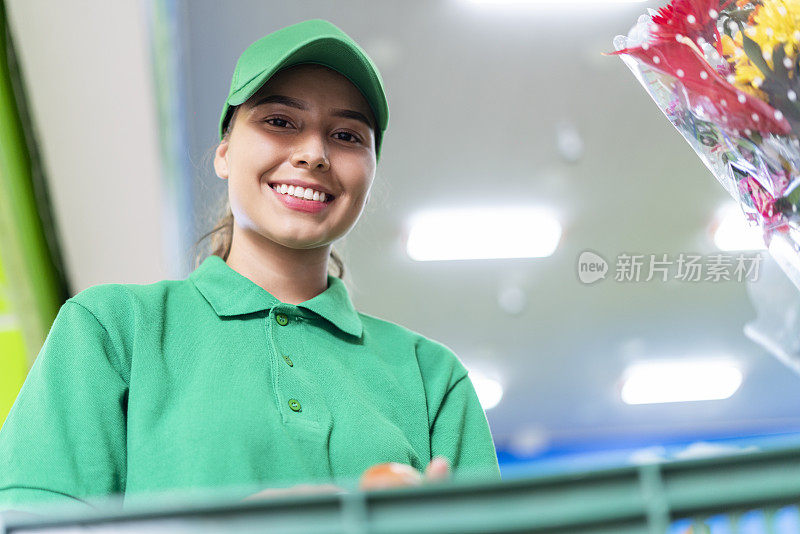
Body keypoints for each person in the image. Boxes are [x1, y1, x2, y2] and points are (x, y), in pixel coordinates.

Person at [0, 18, 500, 515]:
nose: (314, 154)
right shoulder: (111, 330)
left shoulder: (433, 377)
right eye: (280, 121)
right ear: (224, 153)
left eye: (347, 135)